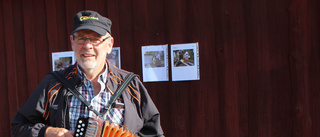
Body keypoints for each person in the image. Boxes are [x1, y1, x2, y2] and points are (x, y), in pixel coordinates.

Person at [11, 10, 164, 137]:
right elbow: (19, 127)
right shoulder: (54, 84)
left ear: (109, 44)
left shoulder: (130, 85)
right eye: (81, 39)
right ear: (72, 42)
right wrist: (49, 132)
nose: (87, 46)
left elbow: (155, 133)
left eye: (95, 39)